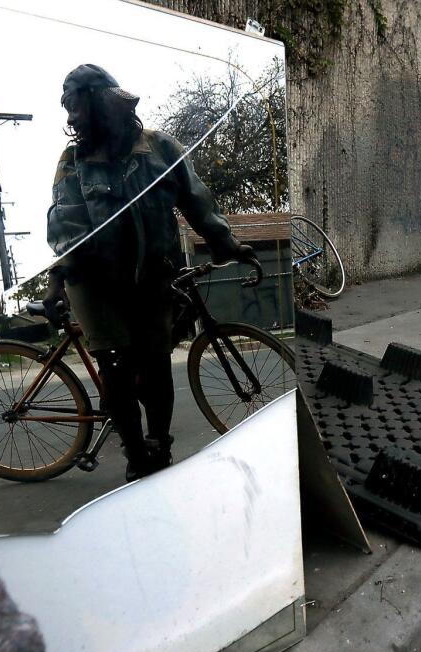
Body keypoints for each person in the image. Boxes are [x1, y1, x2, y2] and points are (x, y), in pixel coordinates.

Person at [42, 64, 257, 482]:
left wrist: (227, 244)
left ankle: (160, 444)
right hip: (96, 284)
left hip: (155, 277)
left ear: (100, 100)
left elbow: (199, 203)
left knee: (156, 365)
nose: (71, 118)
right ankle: (135, 452)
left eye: (75, 105)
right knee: (115, 369)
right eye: (66, 108)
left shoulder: (160, 147)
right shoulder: (73, 162)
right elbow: (64, 227)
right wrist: (56, 283)